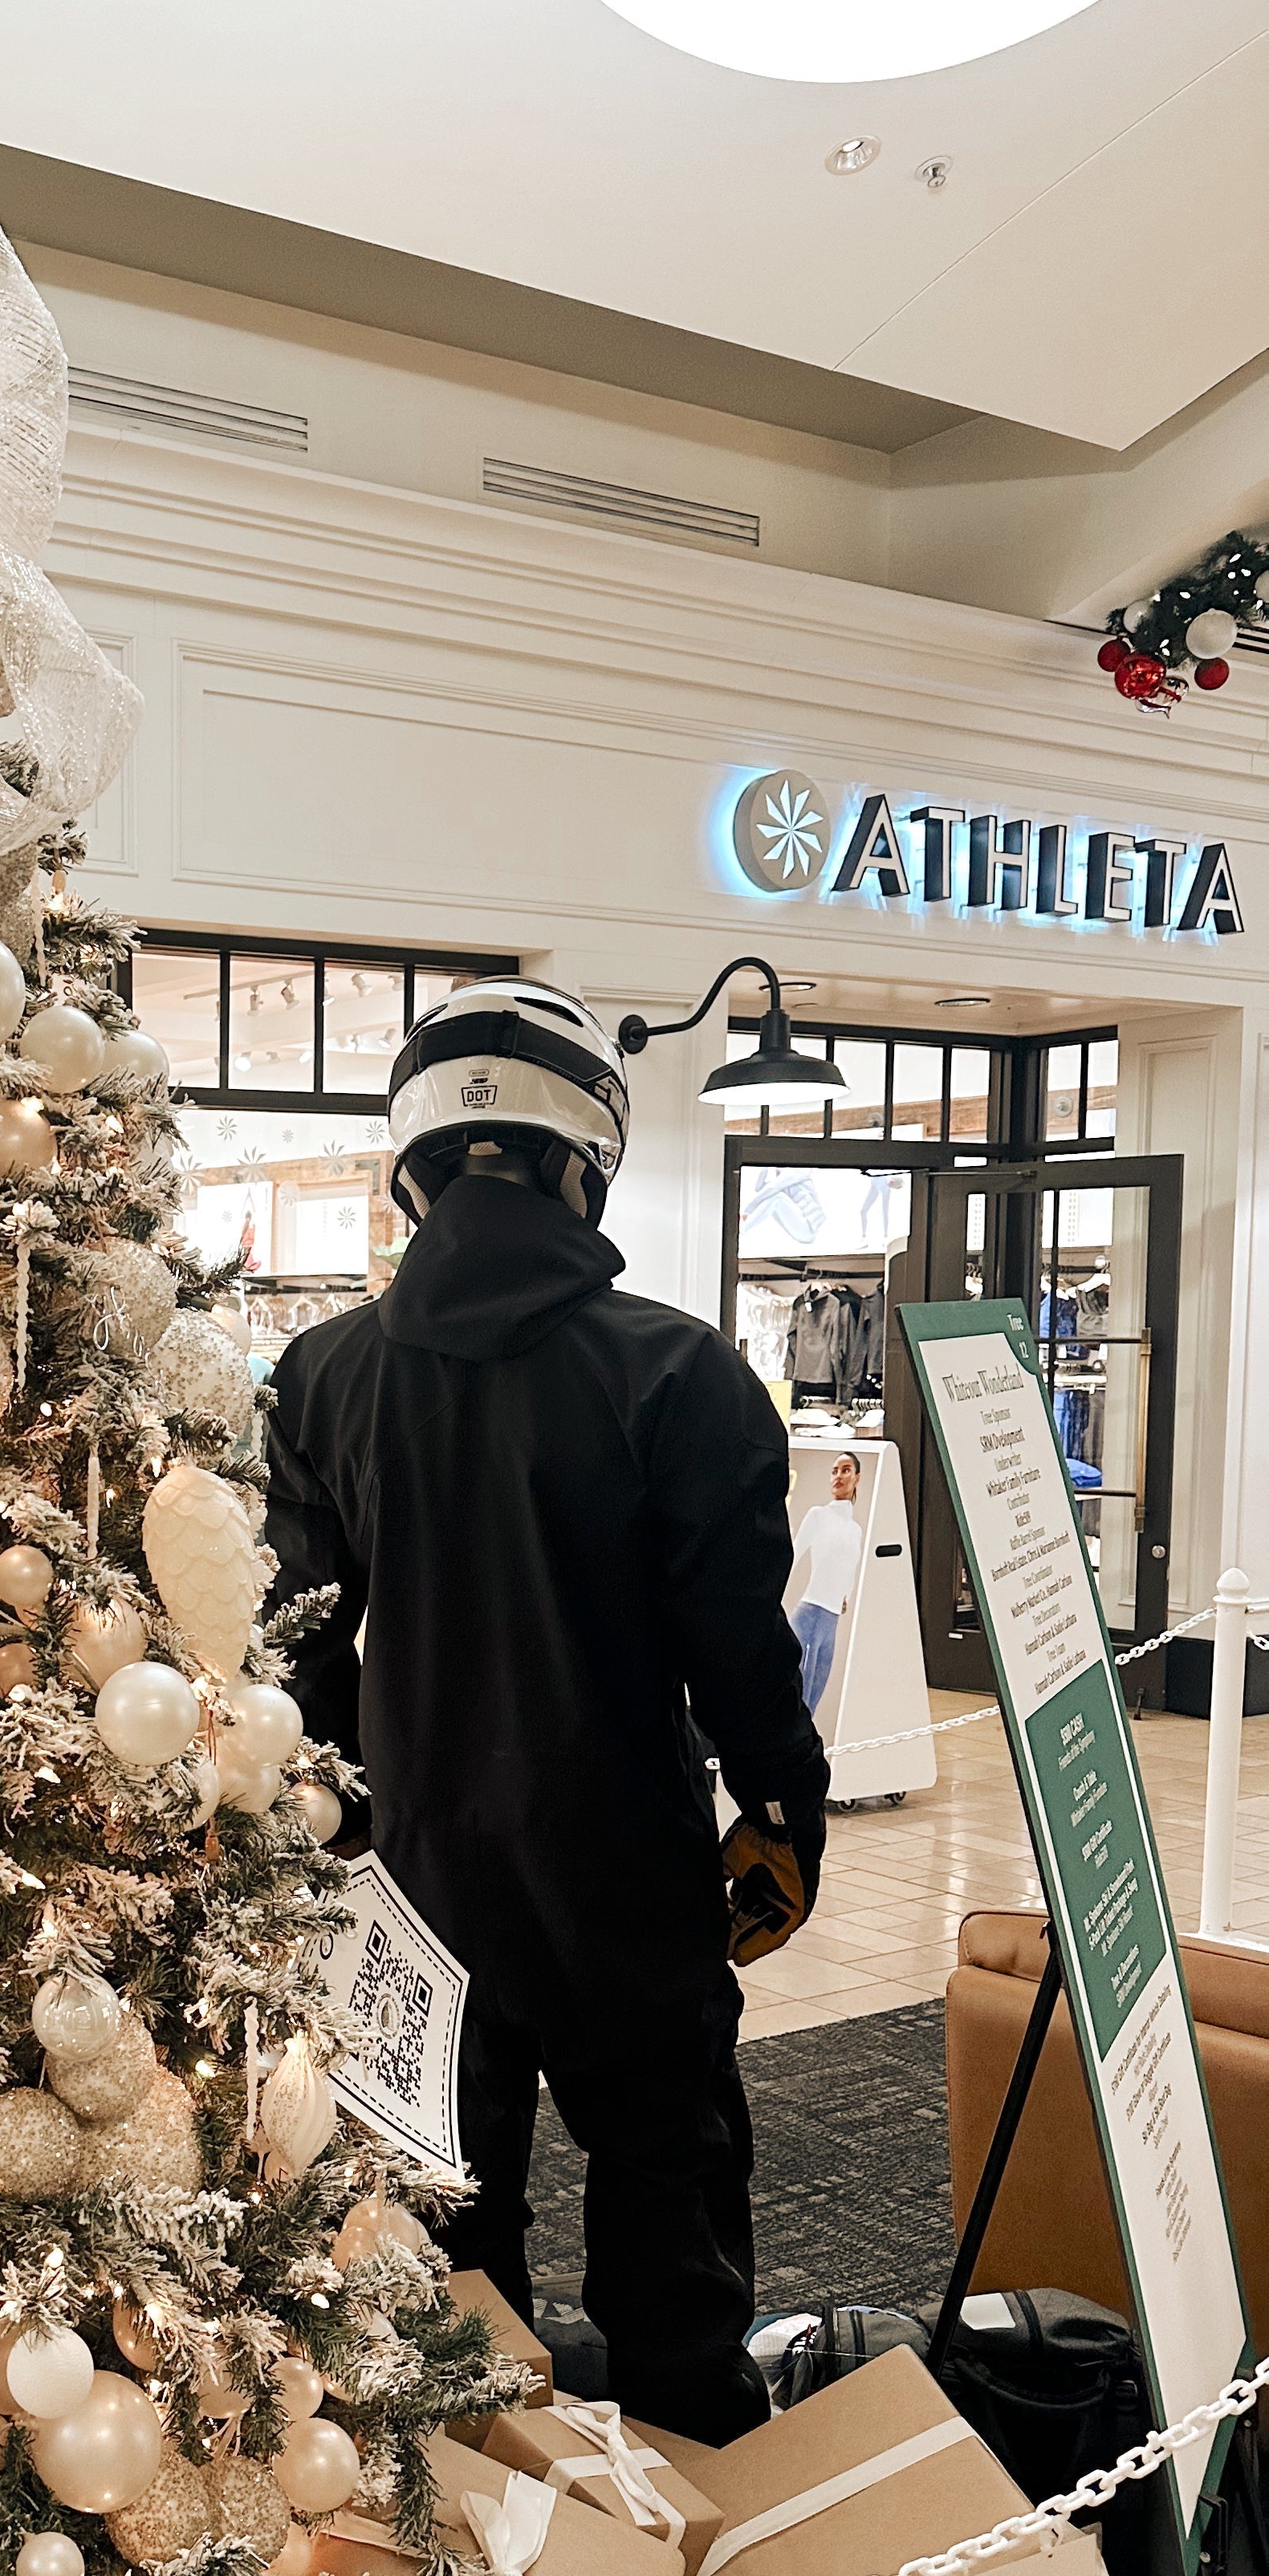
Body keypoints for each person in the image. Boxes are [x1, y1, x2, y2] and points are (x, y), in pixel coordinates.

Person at [262, 980, 830, 2444]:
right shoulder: (679, 1369)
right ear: (587, 1162)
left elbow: (297, 1653)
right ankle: (700, 2505)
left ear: (412, 1168)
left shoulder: (321, 1374)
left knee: (445, 2232)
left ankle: (485, 2521)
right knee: (667, 2206)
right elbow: (735, 1649)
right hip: (624, 1862)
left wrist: (344, 1837)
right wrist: (784, 1808)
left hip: (414, 1872)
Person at [786, 1452, 864, 1718]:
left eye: (845, 1470)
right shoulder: (818, 1515)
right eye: (834, 1471)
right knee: (796, 1695)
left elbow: (849, 1570)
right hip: (808, 1616)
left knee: (813, 1699)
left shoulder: (855, 1531)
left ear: (857, 1477)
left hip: (831, 1623)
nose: (838, 1476)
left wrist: (845, 1597)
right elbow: (794, 1555)